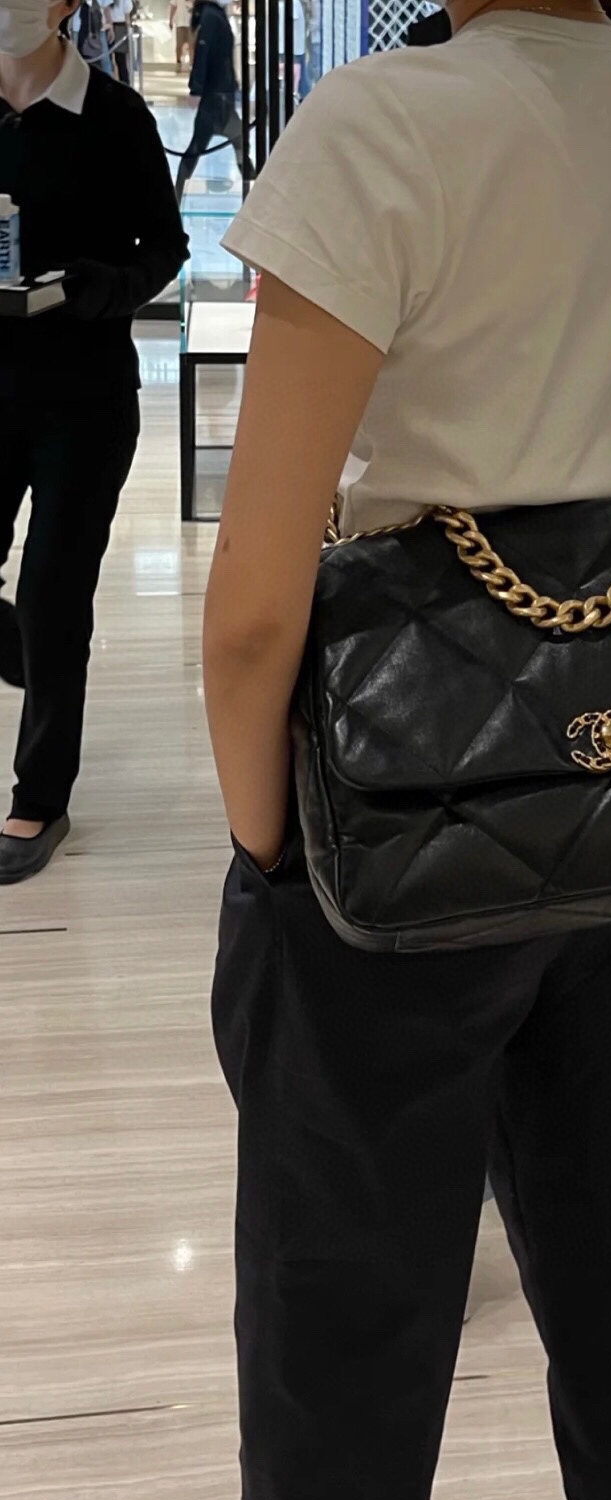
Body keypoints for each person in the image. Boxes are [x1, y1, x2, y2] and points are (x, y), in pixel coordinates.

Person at [205, 1, 611, 1500]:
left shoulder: (382, 127)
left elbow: (254, 609)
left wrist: (270, 854)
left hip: (401, 807)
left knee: (344, 1335)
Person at [0, 0, 187, 885]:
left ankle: (40, 797)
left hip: (85, 401)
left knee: (52, 593)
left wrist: (100, 288)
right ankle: (31, 656)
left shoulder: (114, 118)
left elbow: (166, 248)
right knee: (37, 627)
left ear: (64, 6)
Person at [174, 0, 248, 201]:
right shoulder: (211, 16)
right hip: (216, 97)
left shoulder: (213, 15)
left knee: (237, 145)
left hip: (220, 94)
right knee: (202, 148)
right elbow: (203, 55)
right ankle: (175, 196)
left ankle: (176, 195)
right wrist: (196, 89)